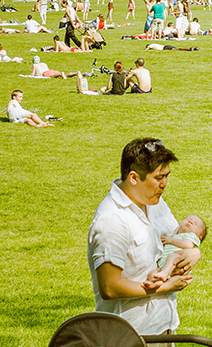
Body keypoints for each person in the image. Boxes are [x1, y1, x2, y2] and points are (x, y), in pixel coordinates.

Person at [88, 137, 205, 336]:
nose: (165, 184)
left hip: (164, 328)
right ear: (134, 177)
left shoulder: (155, 203)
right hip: (130, 337)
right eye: (159, 178)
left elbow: (179, 242)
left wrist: (194, 253)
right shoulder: (112, 221)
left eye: (167, 176)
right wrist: (165, 287)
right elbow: (109, 287)